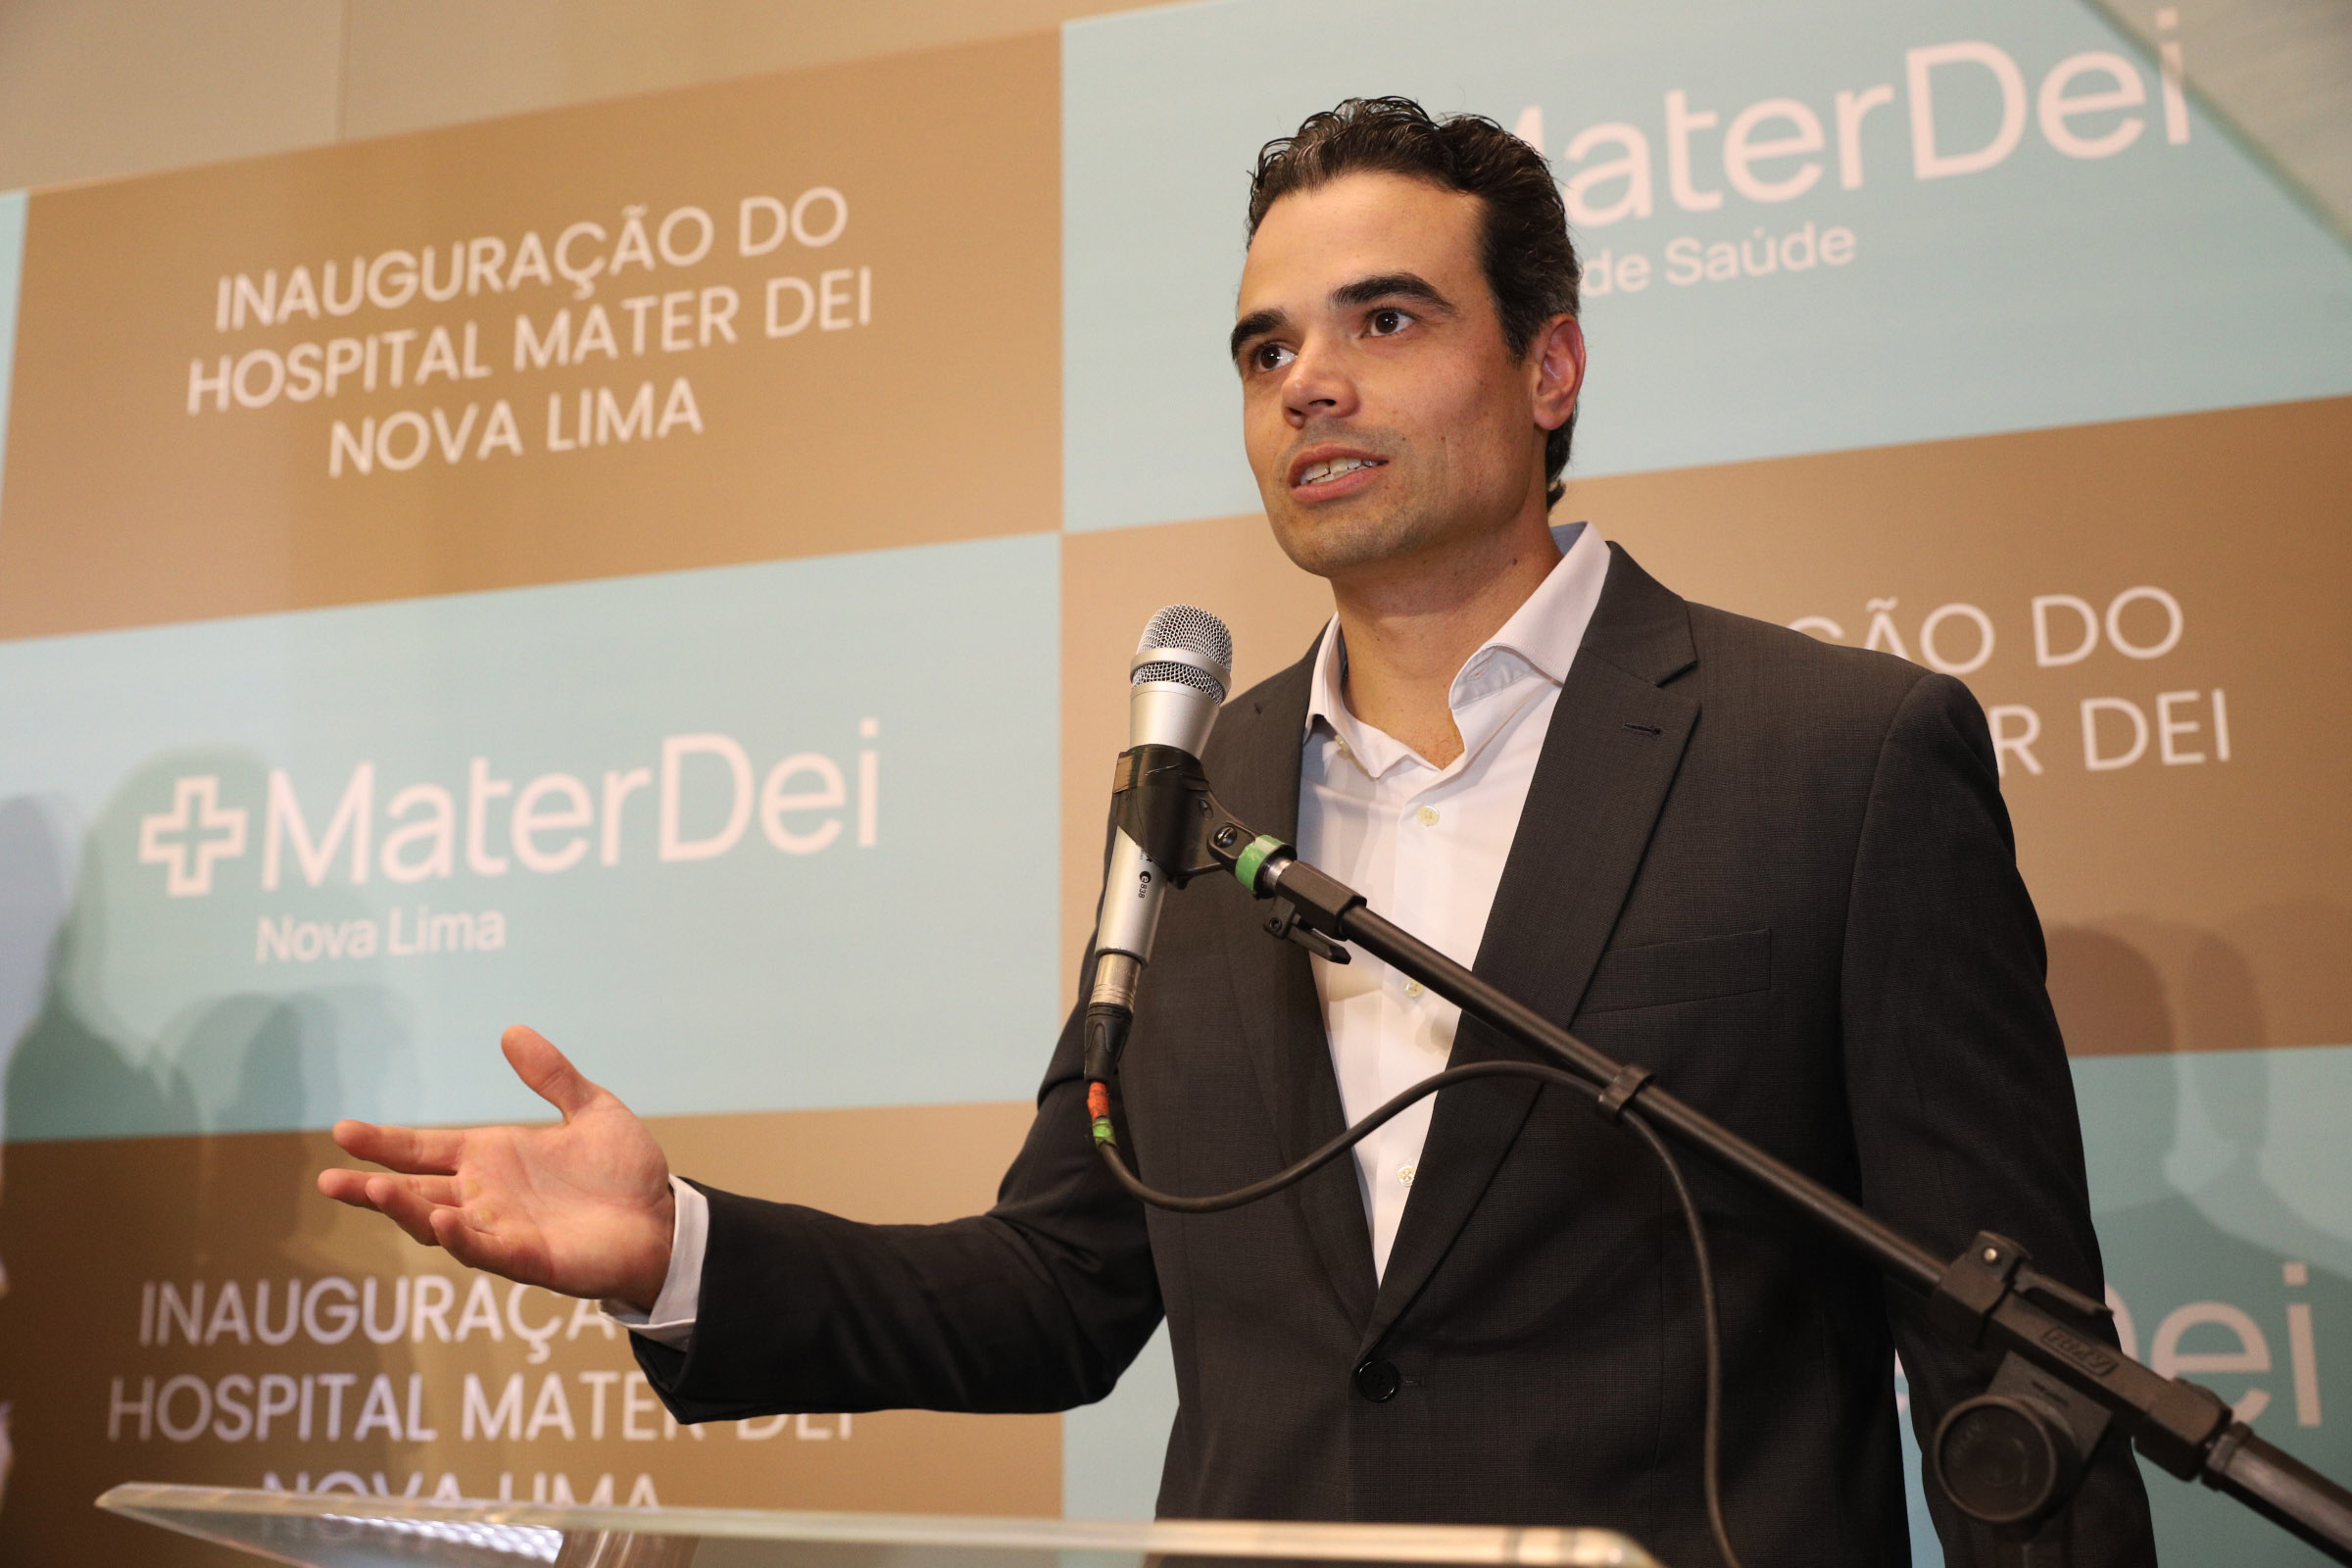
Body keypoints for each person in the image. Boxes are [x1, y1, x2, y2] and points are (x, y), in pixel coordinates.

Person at [321, 98, 2156, 1565]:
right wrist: (681, 1248)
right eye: (1265, 345)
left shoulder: (1834, 759)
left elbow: (2017, 1376)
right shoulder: (1200, 794)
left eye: (1385, 319)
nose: (1308, 383)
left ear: (1551, 368)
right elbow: (1061, 1286)